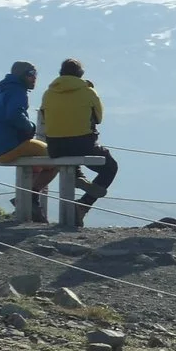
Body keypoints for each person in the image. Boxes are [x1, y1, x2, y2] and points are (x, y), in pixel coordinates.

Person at [38, 58, 118, 230]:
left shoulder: (48, 93)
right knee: (110, 166)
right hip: (82, 143)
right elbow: (99, 118)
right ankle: (84, 204)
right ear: (80, 74)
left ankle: (77, 176)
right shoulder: (89, 92)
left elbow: (44, 117)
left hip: (55, 147)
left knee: (68, 154)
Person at [0, 60, 50, 222]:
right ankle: (27, 198)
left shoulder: (0, 93)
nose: (35, 78)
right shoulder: (17, 92)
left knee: (38, 164)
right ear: (22, 75)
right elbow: (14, 115)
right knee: (56, 158)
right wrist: (31, 127)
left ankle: (29, 201)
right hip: (10, 146)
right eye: (31, 74)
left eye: (35, 74)